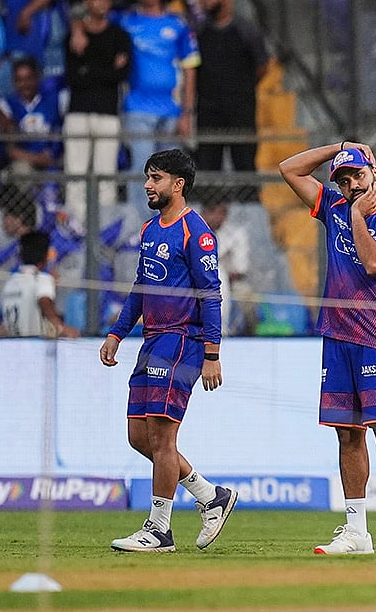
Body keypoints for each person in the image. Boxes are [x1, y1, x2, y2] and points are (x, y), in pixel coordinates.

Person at [279, 141, 376, 555]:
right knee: (346, 435)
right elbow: (289, 169)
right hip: (337, 335)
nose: (350, 184)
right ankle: (356, 531)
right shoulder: (333, 207)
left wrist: (357, 214)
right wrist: (338, 149)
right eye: (342, 179)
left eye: (357, 174)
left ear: (375, 173)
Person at [99, 148, 237, 553]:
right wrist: (117, 333)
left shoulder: (197, 232)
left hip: (181, 341)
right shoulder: (149, 230)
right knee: (138, 436)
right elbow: (141, 289)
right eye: (147, 177)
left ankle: (159, 529)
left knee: (162, 438)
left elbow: (212, 295)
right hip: (152, 340)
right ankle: (210, 496)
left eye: (155, 177)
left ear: (178, 185)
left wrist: (212, 353)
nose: (147, 184)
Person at [114, 0, 200, 212]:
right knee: (143, 170)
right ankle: (140, 229)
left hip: (172, 111)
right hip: (138, 108)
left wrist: (187, 113)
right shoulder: (126, 24)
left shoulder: (178, 25)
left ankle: (170, 224)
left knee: (172, 173)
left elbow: (190, 69)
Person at [63, 0, 132, 227]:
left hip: (108, 114)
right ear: (87, 2)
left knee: (106, 177)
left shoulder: (119, 36)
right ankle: (76, 228)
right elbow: (73, 78)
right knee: (76, 176)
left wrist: (89, 69)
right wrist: (107, 70)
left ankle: (104, 229)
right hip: (78, 113)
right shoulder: (73, 37)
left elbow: (122, 75)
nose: (103, 4)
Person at [195, 0, 268, 202]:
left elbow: (262, 66)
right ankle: (208, 223)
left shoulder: (246, 31)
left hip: (240, 111)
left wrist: (240, 88)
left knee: (245, 165)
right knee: (208, 168)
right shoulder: (200, 32)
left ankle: (250, 221)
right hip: (208, 111)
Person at [0, 229, 79, 337]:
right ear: (46, 256)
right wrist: (61, 327)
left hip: (13, 341)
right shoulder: (42, 279)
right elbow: (44, 302)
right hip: (34, 343)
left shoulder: (10, 282)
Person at [0, 56, 61, 172]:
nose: (24, 84)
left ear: (37, 78)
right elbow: (10, 148)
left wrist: (51, 154)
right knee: (21, 169)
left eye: (28, 79)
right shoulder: (6, 105)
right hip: (26, 158)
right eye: (19, 80)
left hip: (53, 156)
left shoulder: (54, 100)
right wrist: (36, 158)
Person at [201, 198, 252, 336]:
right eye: (212, 212)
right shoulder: (193, 231)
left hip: (230, 282)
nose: (217, 217)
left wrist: (219, 275)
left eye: (222, 212)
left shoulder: (236, 234)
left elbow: (240, 269)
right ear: (203, 213)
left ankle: (246, 333)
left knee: (244, 293)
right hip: (197, 280)